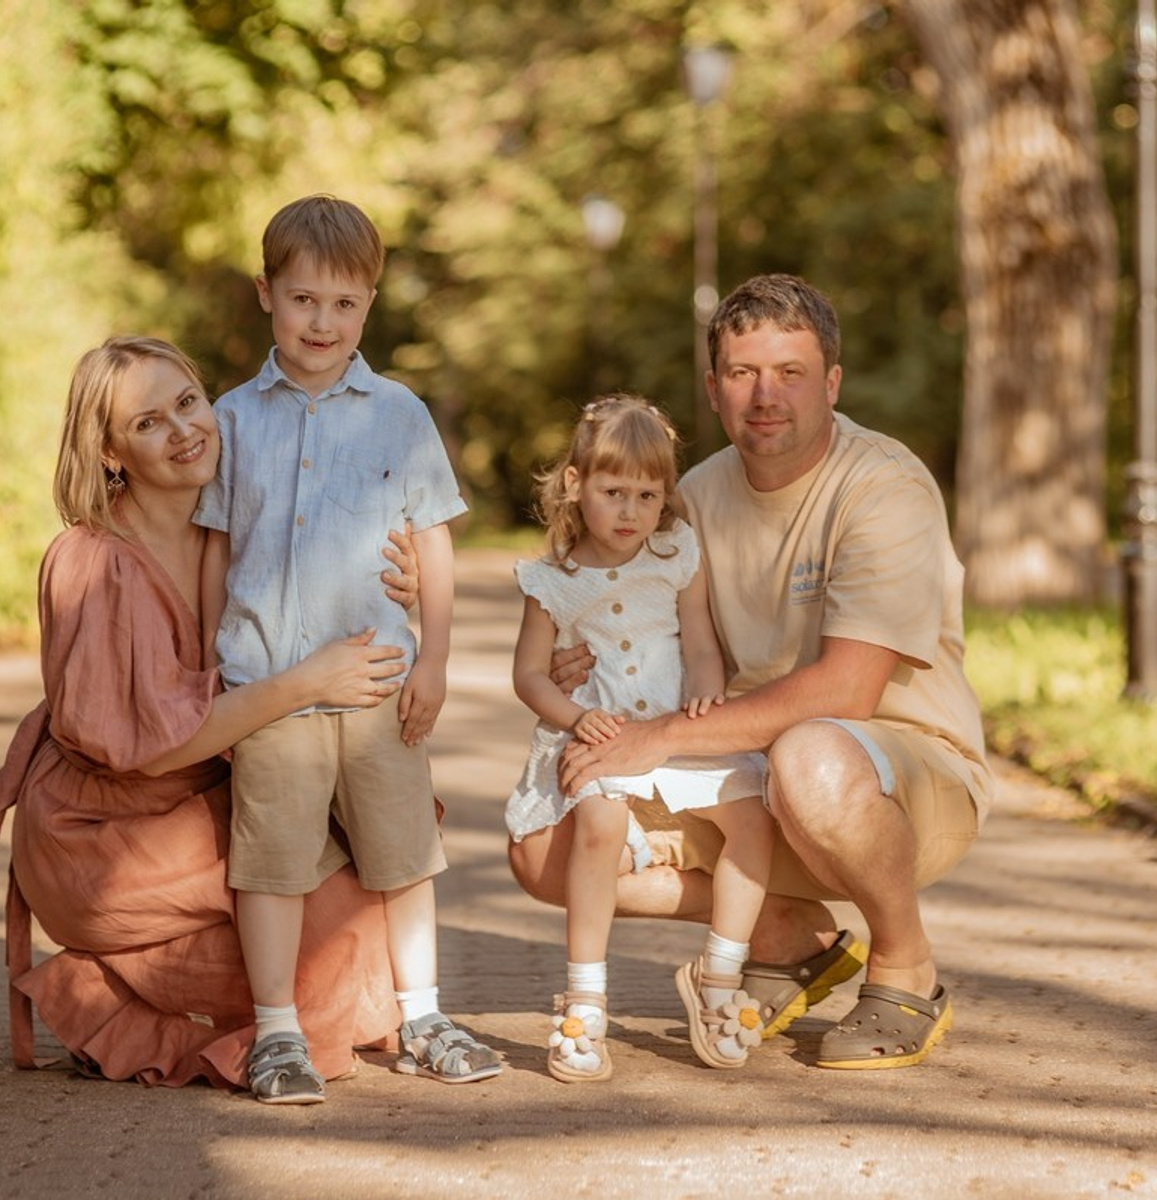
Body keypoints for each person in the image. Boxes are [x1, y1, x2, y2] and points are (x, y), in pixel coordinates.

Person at [510, 274, 993, 1070]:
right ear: (714, 389)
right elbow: (643, 622)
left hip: (894, 779)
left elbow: (848, 691)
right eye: (743, 373)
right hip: (750, 770)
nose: (766, 395)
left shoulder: (885, 486)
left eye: (790, 373)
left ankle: (905, 966)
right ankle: (787, 938)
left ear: (831, 383)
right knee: (543, 848)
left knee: (812, 754)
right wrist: (576, 658)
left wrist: (658, 737)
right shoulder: (692, 500)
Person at [1, 335, 418, 1090]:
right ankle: (99, 994)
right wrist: (305, 683)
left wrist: (398, 584)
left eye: (188, 402)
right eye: (148, 423)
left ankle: (147, 982)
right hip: (104, 835)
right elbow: (153, 751)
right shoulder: (91, 562)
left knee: (373, 940)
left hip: (206, 796)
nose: (184, 430)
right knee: (325, 968)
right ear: (110, 452)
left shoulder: (240, 525)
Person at [194, 194, 501, 1103]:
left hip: (378, 688)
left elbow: (432, 540)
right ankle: (277, 1032)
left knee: (405, 854)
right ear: (266, 294)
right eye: (302, 300)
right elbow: (216, 550)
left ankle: (423, 1017)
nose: (321, 322)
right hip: (269, 688)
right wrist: (208, 668)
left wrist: (435, 660)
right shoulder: (233, 419)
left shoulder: (399, 414)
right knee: (271, 863)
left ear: (369, 304)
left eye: (343, 303)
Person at [504, 396, 775, 1081]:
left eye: (647, 496)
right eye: (613, 492)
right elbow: (528, 675)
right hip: (600, 729)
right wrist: (573, 718)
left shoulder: (677, 554)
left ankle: (720, 974)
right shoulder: (553, 580)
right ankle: (585, 996)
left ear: (665, 498)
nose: (630, 511)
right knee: (599, 823)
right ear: (577, 485)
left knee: (752, 819)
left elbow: (702, 644)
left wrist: (704, 699)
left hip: (677, 724)